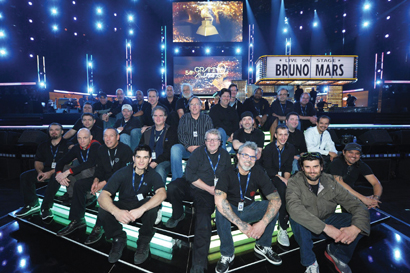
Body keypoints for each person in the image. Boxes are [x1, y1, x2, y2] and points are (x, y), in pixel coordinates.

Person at [286, 152, 370, 273]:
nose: (312, 171)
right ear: (302, 168)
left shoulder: (330, 181)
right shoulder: (294, 182)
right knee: (297, 218)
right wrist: (326, 228)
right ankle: (310, 263)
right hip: (306, 227)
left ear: (321, 167)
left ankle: (337, 254)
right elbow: (294, 209)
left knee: (360, 220)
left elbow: (357, 205)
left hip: (327, 219)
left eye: (315, 166)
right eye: (308, 167)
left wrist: (355, 228)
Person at [214, 141, 282, 273]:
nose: (249, 160)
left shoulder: (258, 172)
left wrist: (262, 223)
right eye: (245, 155)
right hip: (231, 208)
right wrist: (241, 225)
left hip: (249, 208)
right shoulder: (226, 172)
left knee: (272, 207)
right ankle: (227, 254)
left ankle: (263, 246)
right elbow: (219, 201)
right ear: (238, 156)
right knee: (220, 211)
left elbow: (276, 200)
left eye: (252, 157)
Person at [56, 128, 133, 238]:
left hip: (120, 182)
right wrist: (96, 180)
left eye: (111, 136)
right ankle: (77, 219)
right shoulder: (101, 149)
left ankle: (99, 226)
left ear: (118, 137)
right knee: (79, 185)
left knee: (105, 194)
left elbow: (123, 172)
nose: (108, 139)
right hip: (104, 179)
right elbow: (99, 168)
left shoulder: (126, 150)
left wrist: (104, 183)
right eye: (105, 136)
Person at [98, 144, 166, 264]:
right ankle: (118, 237)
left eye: (145, 158)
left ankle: (144, 241)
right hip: (124, 204)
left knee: (152, 205)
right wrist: (116, 212)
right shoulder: (122, 172)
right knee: (104, 207)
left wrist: (141, 209)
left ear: (150, 160)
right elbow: (103, 196)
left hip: (140, 205)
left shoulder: (153, 174)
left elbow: (162, 194)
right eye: (138, 157)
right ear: (133, 158)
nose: (141, 161)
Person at [186, 129, 232, 273]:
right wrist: (209, 189)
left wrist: (220, 191)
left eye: (215, 139)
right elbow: (189, 175)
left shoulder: (225, 155)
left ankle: (227, 253)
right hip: (202, 190)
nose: (212, 142)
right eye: (209, 139)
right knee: (203, 218)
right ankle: (199, 263)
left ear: (220, 142)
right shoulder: (198, 153)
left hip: (219, 191)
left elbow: (229, 176)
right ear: (205, 142)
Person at [40, 128, 101, 221]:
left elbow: (90, 163)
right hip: (84, 173)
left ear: (90, 137)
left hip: (97, 175)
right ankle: (69, 196)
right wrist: (59, 174)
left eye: (85, 138)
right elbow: (61, 161)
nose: (82, 140)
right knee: (64, 168)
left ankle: (90, 196)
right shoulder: (77, 147)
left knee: (81, 170)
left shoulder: (95, 145)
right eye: (79, 138)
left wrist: (68, 172)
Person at [15, 123, 69, 217]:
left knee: (55, 176)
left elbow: (67, 164)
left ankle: (46, 207)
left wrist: (51, 172)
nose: (54, 132)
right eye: (51, 130)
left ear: (62, 132)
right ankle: (32, 204)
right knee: (25, 176)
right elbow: (38, 161)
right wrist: (40, 172)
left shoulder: (67, 145)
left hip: (61, 170)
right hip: (46, 169)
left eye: (56, 129)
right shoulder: (43, 145)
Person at [261, 125, 295, 247]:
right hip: (269, 177)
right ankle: (283, 227)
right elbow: (269, 169)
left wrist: (287, 180)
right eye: (280, 134)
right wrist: (283, 180)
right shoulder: (268, 148)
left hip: (281, 178)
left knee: (291, 188)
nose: (283, 137)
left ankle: (290, 219)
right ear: (275, 135)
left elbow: (288, 167)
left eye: (285, 134)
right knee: (282, 189)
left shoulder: (290, 148)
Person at [170, 96, 213, 180]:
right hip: (186, 149)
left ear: (201, 106)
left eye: (196, 104)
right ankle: (177, 180)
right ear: (189, 107)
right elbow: (180, 134)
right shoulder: (184, 118)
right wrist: (188, 146)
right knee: (175, 149)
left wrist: (200, 147)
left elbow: (210, 135)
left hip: (203, 149)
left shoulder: (207, 118)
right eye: (192, 104)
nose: (194, 107)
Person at [329, 143, 382, 209]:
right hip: (331, 193)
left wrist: (375, 198)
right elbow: (339, 183)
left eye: (357, 153)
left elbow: (376, 183)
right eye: (350, 152)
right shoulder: (337, 162)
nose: (354, 156)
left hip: (348, 192)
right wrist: (363, 199)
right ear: (343, 152)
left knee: (371, 193)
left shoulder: (360, 164)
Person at [139, 106, 178, 184]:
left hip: (165, 162)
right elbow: (140, 148)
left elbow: (168, 152)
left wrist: (156, 162)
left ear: (165, 117)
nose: (158, 118)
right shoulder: (147, 132)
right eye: (155, 116)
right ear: (152, 117)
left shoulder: (171, 131)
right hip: (148, 160)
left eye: (161, 116)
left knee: (159, 168)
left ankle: (160, 193)